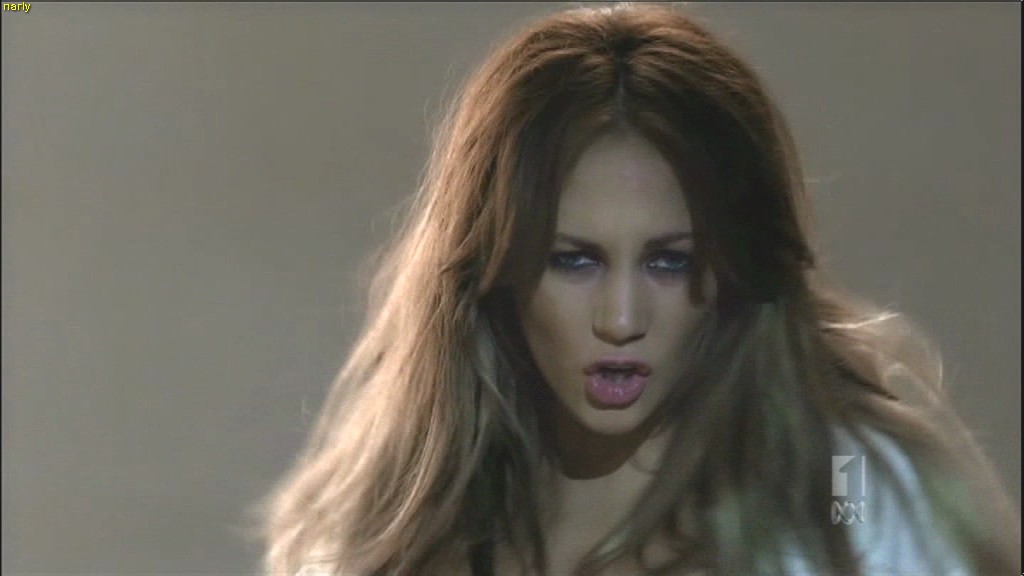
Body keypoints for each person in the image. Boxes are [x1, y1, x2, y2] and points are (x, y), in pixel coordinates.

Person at [252, 3, 1020, 574]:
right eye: (574, 261)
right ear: (493, 267)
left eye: (669, 263)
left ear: (737, 268)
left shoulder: (848, 497)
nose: (622, 319)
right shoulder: (374, 537)